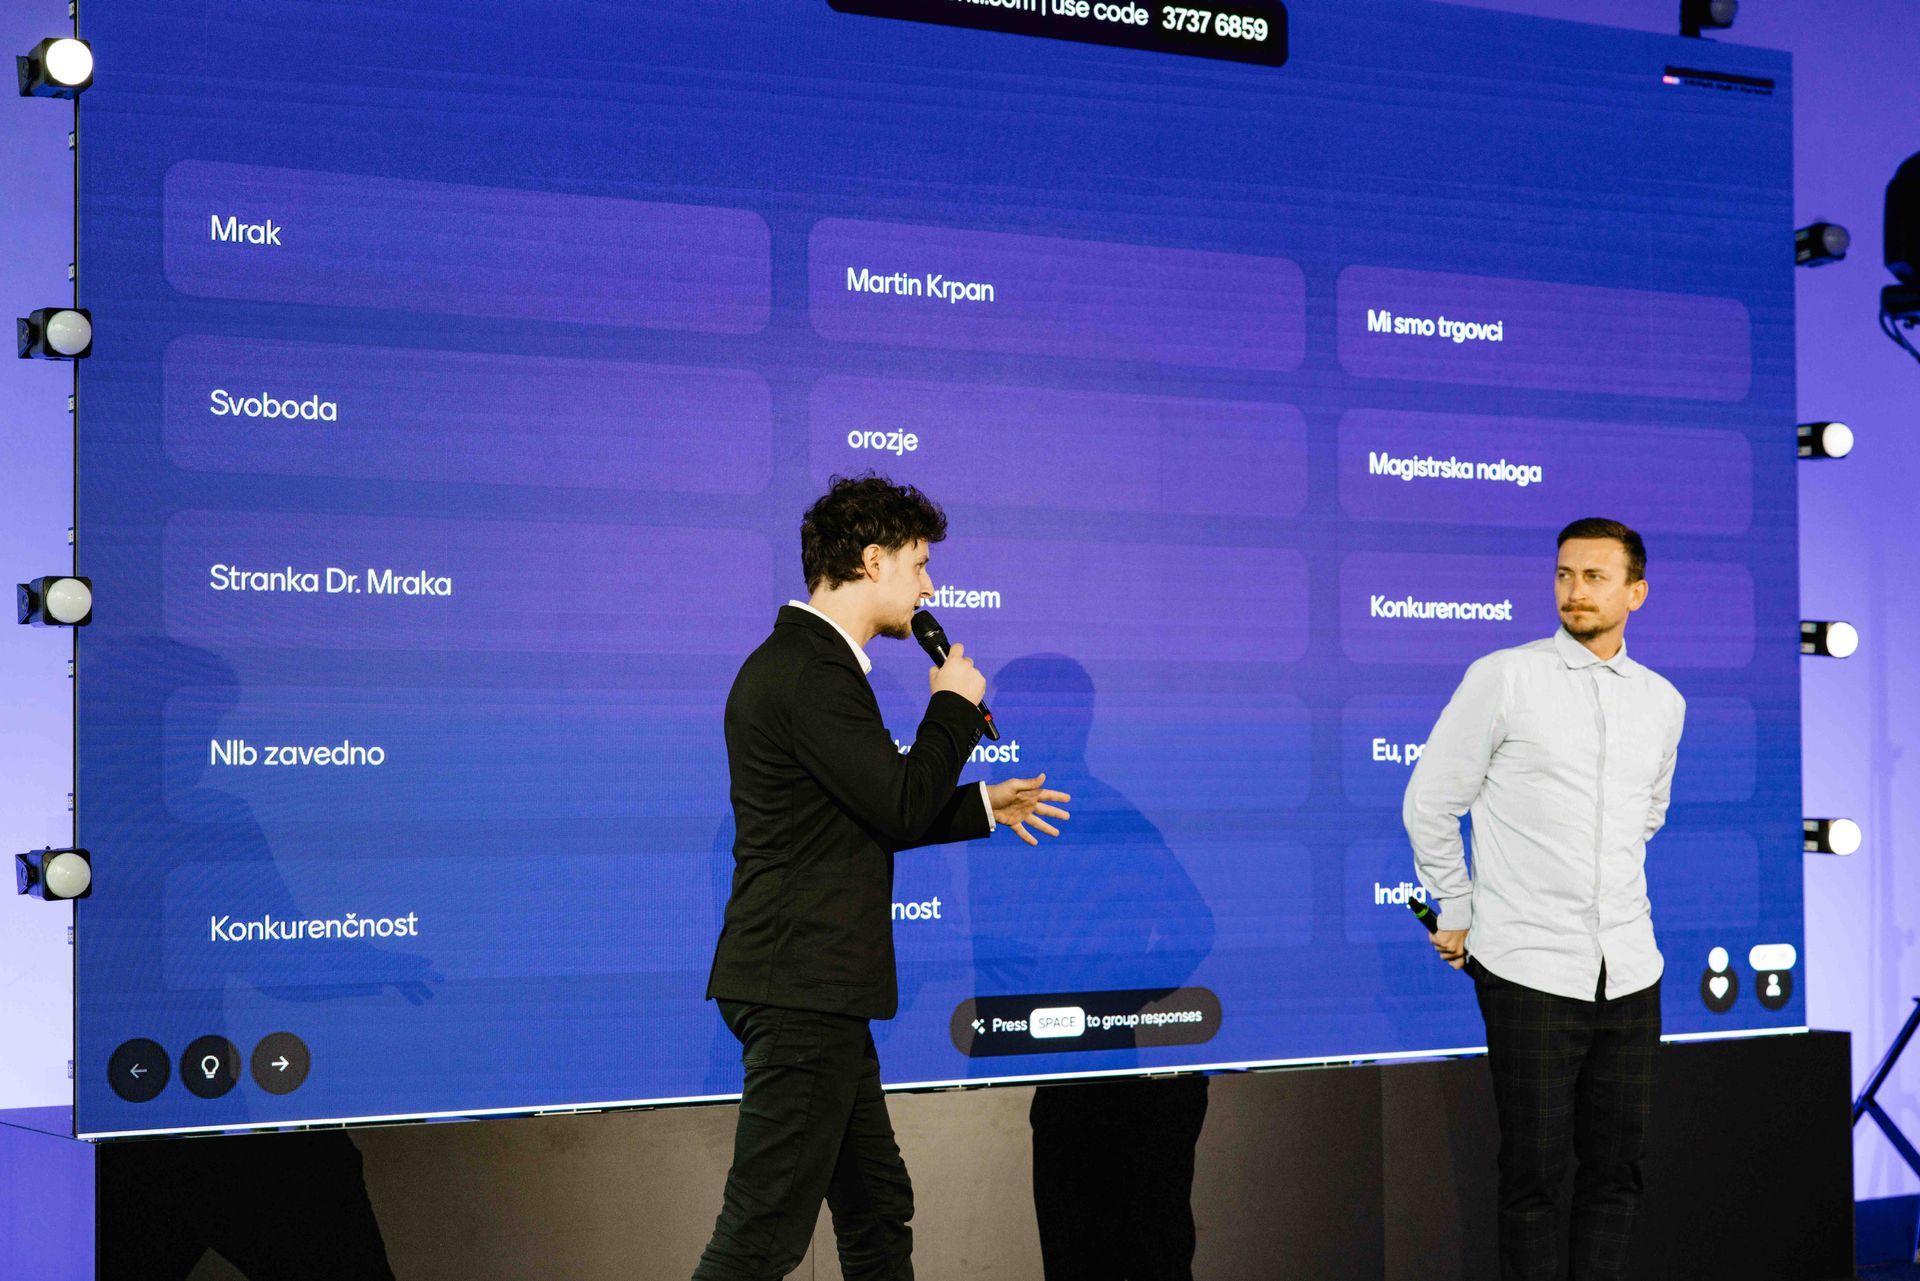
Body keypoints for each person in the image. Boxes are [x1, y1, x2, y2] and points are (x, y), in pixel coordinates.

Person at [693, 474, 1071, 1280]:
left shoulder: (811, 664)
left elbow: (864, 809)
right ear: (872, 560)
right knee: (761, 1237)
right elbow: (898, 803)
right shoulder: (812, 671)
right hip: (803, 989)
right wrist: (953, 706)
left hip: (819, 989)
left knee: (875, 1205)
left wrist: (982, 804)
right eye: (920, 563)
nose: (930, 587)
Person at [1402, 517, 1686, 1281]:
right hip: (1529, 968)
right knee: (1532, 1178)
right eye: (1564, 574)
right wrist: (1457, 908)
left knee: (1618, 1171)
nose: (1574, 590)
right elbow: (1429, 801)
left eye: (1594, 576)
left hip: (1631, 970)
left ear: (1636, 592)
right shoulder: (1505, 676)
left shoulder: (1663, 702)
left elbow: (1646, 816)